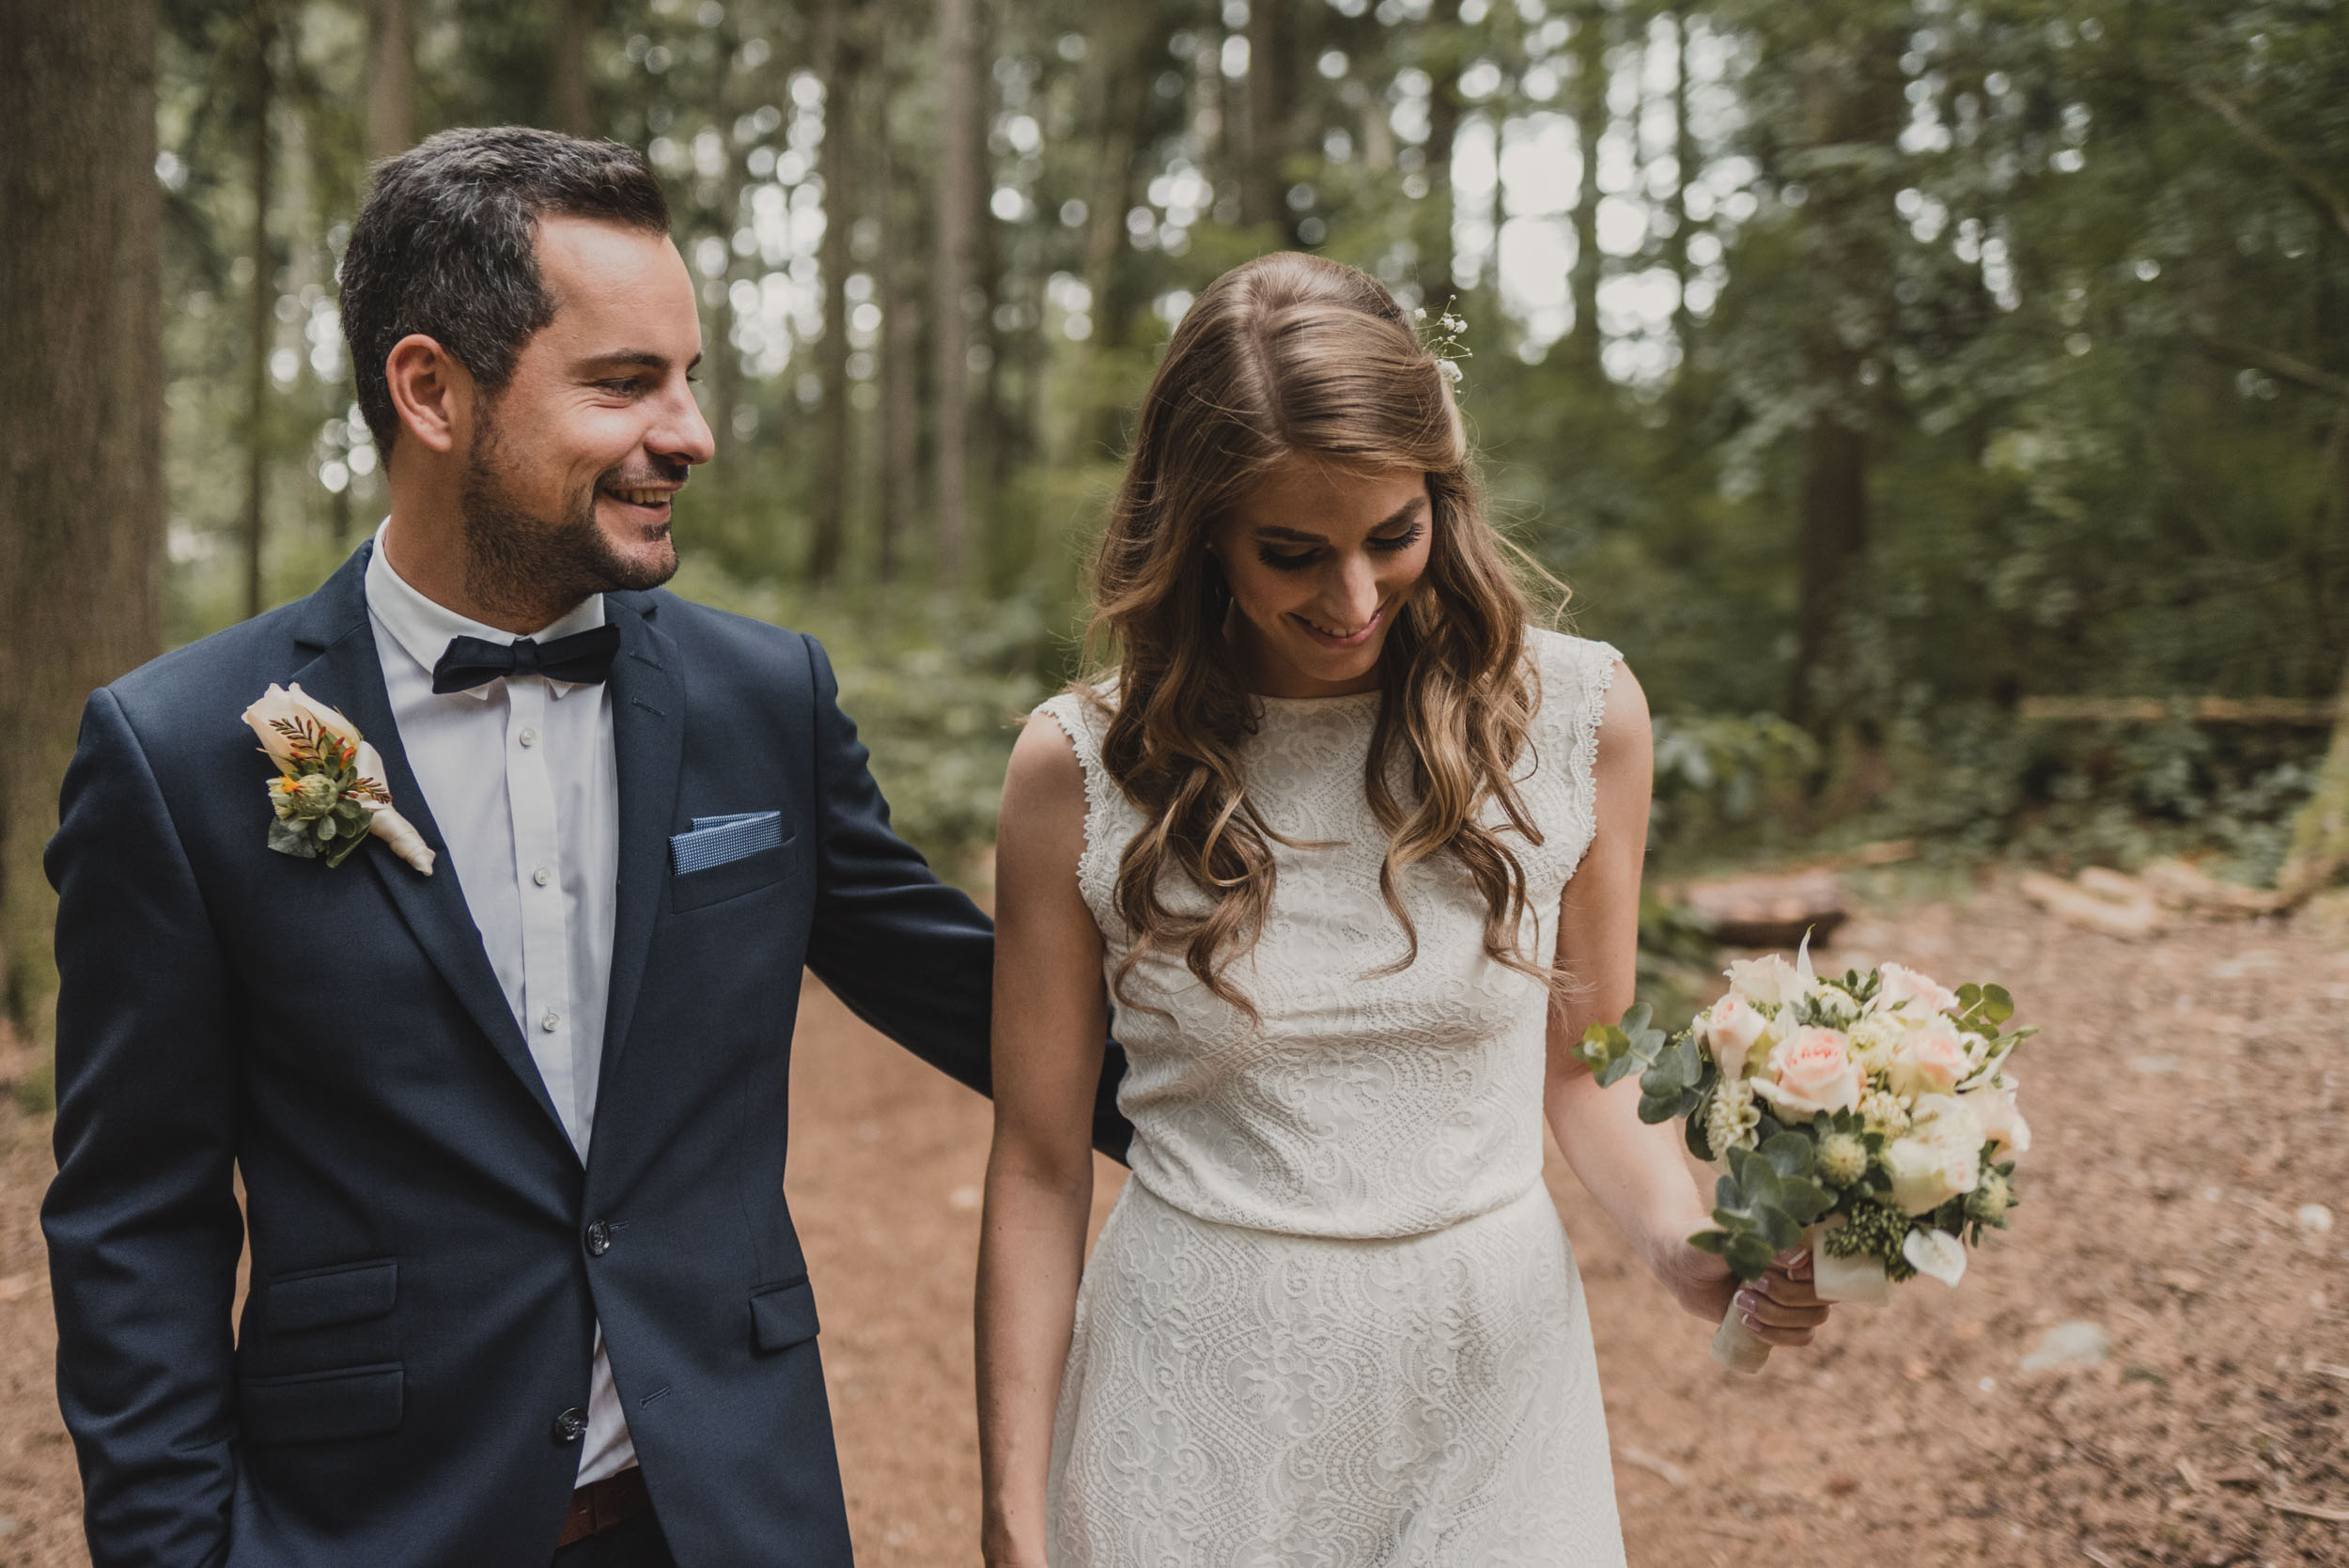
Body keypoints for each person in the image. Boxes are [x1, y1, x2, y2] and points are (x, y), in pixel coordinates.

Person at [41, 126, 1126, 1568]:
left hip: (728, 1515)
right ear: (430, 389)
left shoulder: (767, 702)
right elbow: (136, 1220)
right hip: (374, 1527)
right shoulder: (178, 752)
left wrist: (1312, 1113)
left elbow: (991, 1005)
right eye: (624, 383)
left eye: (688, 376)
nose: (690, 431)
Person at [975, 252, 1829, 1567]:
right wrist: (1013, 1520)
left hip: (1491, 1375)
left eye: (1394, 535)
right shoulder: (1080, 770)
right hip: (1199, 1396)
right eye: (1293, 553)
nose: (1355, 599)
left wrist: (1686, 1242)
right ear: (1198, 524)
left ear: (1443, 491)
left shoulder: (1579, 719)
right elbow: (1037, 1169)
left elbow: (1584, 1066)